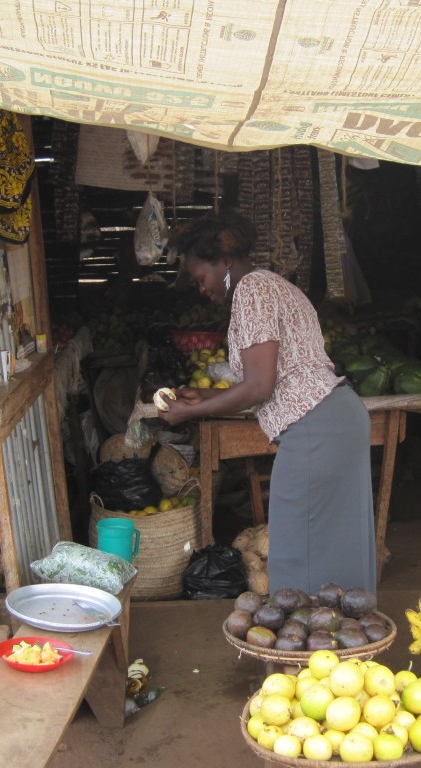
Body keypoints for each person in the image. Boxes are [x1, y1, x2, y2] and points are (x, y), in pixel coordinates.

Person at [158, 211, 377, 595]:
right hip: (335, 417)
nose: (202, 289)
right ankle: (344, 638)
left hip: (316, 427)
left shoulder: (252, 292)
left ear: (224, 262)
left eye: (201, 279)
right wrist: (206, 397)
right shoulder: (274, 286)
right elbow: (272, 382)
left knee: (295, 549)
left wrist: (189, 412)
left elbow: (260, 387)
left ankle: (302, 644)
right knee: (336, 542)